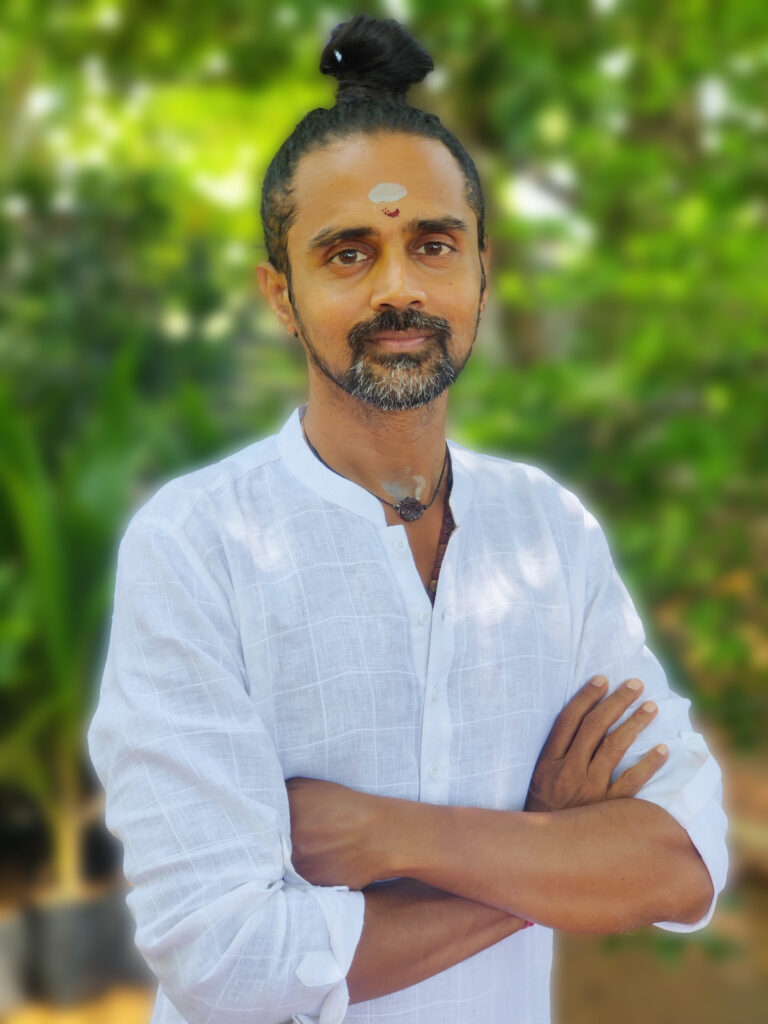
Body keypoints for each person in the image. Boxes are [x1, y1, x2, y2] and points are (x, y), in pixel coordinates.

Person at [88, 15, 727, 1024]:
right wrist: (546, 849)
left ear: (483, 270)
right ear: (281, 295)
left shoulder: (550, 535)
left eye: (433, 245)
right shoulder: (197, 548)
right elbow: (227, 962)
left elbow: (685, 861)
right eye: (348, 253)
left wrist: (397, 836)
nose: (399, 288)